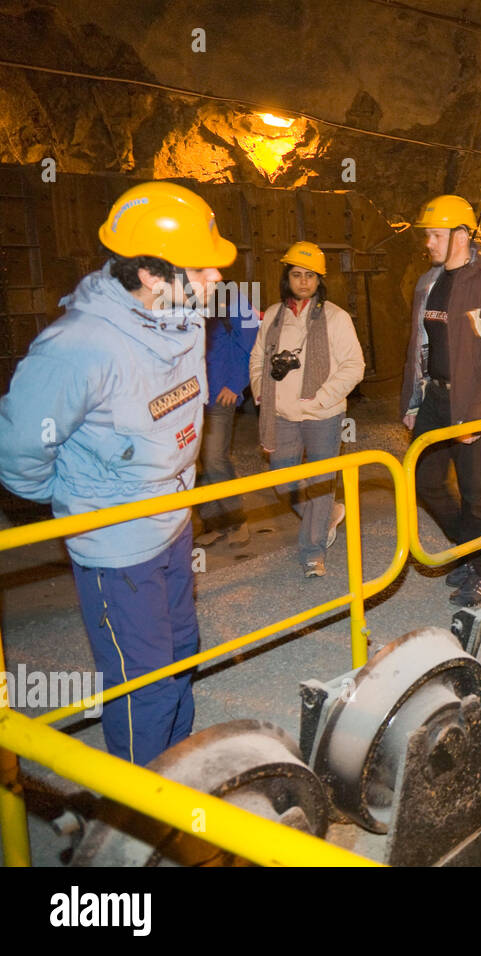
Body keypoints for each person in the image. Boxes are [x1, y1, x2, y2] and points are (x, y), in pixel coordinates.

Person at [0, 181, 234, 765]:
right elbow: (19, 449)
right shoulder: (78, 347)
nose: (217, 281)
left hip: (173, 520)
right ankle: (137, 821)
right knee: (144, 682)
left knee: (182, 650)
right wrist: (81, 499)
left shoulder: (182, 318)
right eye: (202, 269)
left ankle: (179, 775)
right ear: (153, 276)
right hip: (117, 541)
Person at [399, 195, 481, 608]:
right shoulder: (427, 284)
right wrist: (413, 402)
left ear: (461, 236)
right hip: (435, 396)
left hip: (473, 402)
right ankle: (472, 549)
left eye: (435, 234)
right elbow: (417, 348)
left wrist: (476, 415)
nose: (427, 242)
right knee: (422, 479)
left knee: (476, 493)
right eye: (427, 235)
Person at [250, 241, 364, 578]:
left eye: (310, 275)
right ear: (287, 278)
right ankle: (326, 515)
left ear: (319, 280)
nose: (303, 281)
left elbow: (354, 366)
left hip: (323, 417)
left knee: (319, 482)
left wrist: (321, 396)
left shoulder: (335, 317)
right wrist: (261, 392)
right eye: (297, 274)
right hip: (282, 416)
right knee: (282, 481)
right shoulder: (272, 315)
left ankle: (312, 553)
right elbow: (258, 359)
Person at [194, 285, 258, 547]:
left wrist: (236, 383)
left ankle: (236, 520)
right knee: (195, 463)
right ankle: (214, 523)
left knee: (214, 459)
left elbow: (251, 342)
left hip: (221, 394)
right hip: (191, 398)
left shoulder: (234, 297)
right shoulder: (181, 297)